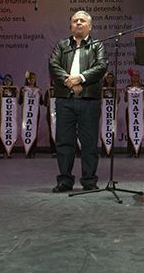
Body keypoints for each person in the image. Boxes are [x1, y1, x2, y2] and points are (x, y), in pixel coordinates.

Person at [48, 10, 108, 193]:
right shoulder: (62, 45)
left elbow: (101, 66)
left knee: (89, 142)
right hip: (65, 99)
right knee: (64, 142)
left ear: (90, 26)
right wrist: (70, 82)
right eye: (75, 21)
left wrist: (80, 78)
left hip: (89, 99)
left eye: (82, 21)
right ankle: (65, 180)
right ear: (71, 26)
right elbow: (53, 65)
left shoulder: (97, 45)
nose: (79, 23)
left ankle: (89, 180)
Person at [19, 71, 43, 158]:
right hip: (27, 114)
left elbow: (41, 103)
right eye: (30, 78)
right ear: (27, 79)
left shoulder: (38, 89)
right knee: (27, 130)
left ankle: (33, 151)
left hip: (36, 113)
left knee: (34, 130)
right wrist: (22, 94)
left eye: (33, 78)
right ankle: (27, 149)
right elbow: (20, 102)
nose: (32, 80)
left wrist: (40, 95)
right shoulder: (24, 88)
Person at [123, 68, 144, 158]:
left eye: (137, 76)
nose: (135, 77)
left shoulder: (143, 87)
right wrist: (126, 93)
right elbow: (125, 100)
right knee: (130, 130)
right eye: (134, 76)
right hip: (129, 111)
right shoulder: (128, 87)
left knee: (138, 130)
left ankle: (138, 151)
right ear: (131, 77)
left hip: (139, 112)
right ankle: (130, 151)